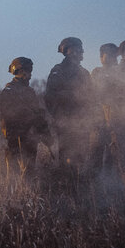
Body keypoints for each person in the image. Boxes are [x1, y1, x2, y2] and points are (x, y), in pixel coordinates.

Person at [44, 37, 95, 170]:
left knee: (82, 160)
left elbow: (92, 98)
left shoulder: (84, 73)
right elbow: (50, 98)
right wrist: (61, 118)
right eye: (77, 48)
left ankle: (81, 187)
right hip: (65, 124)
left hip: (83, 124)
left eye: (81, 48)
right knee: (67, 161)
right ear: (68, 50)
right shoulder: (58, 71)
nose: (81, 51)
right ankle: (67, 187)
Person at [0, 57, 52, 175]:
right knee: (16, 176)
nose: (30, 74)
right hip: (16, 141)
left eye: (30, 71)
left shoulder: (29, 92)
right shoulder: (9, 91)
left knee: (30, 173)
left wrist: (45, 133)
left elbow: (37, 115)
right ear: (19, 71)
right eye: (27, 71)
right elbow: (9, 117)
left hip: (30, 140)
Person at [90, 43, 120, 170]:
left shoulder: (121, 74)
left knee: (115, 159)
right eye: (109, 55)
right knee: (97, 157)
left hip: (118, 122)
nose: (113, 59)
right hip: (100, 122)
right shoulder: (97, 72)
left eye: (114, 56)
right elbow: (92, 96)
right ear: (101, 57)